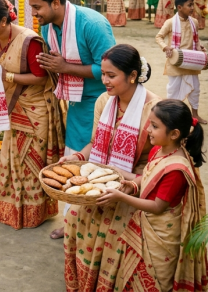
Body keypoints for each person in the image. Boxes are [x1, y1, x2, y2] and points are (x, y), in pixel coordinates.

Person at [60, 44, 160, 292]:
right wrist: (79, 156)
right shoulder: (105, 100)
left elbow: (159, 164)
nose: (104, 80)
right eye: (103, 74)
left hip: (136, 183)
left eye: (111, 75)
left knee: (114, 231)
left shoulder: (156, 110)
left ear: (133, 76)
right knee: (72, 217)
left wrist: (130, 182)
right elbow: (95, 141)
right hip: (102, 175)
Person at [26, 0, 116, 239]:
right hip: (75, 102)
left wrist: (65, 67)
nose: (34, 13)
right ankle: (72, 223)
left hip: (102, 102)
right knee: (76, 162)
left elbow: (112, 70)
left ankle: (90, 226)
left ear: (55, 3)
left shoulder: (92, 24)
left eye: (37, 7)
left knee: (96, 164)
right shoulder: (48, 27)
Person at [0, 0, 65, 229]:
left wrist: (5, 75)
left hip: (35, 109)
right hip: (12, 106)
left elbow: (42, 77)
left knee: (33, 163)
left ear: (4, 21)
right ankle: (12, 210)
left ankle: (36, 214)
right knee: (10, 159)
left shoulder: (29, 42)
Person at [106, 99, 208, 292]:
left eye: (154, 126)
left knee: (156, 279)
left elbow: (157, 206)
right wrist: (129, 181)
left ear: (174, 134)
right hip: (148, 225)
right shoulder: (158, 150)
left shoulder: (176, 169)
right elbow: (147, 176)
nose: (148, 130)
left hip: (161, 233)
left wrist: (120, 197)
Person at [156, 0, 208, 124]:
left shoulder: (194, 22)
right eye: (189, 5)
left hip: (191, 61)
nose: (192, 8)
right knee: (173, 89)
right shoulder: (170, 22)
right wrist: (165, 47)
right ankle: (172, 115)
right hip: (175, 61)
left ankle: (195, 115)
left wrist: (199, 46)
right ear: (179, 7)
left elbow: (195, 39)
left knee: (195, 88)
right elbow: (159, 37)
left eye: (192, 5)